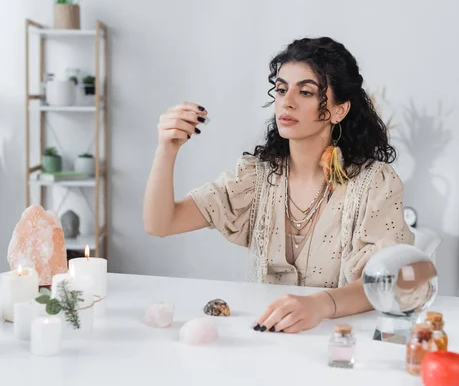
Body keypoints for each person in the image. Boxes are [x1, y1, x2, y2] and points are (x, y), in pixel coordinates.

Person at [144, 37, 414, 334]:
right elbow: (161, 223)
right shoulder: (255, 178)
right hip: (269, 342)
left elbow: (390, 278)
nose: (287, 101)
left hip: (342, 346)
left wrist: (321, 305)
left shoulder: (374, 183)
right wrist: (166, 150)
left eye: (306, 91)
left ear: (339, 110)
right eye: (282, 89)